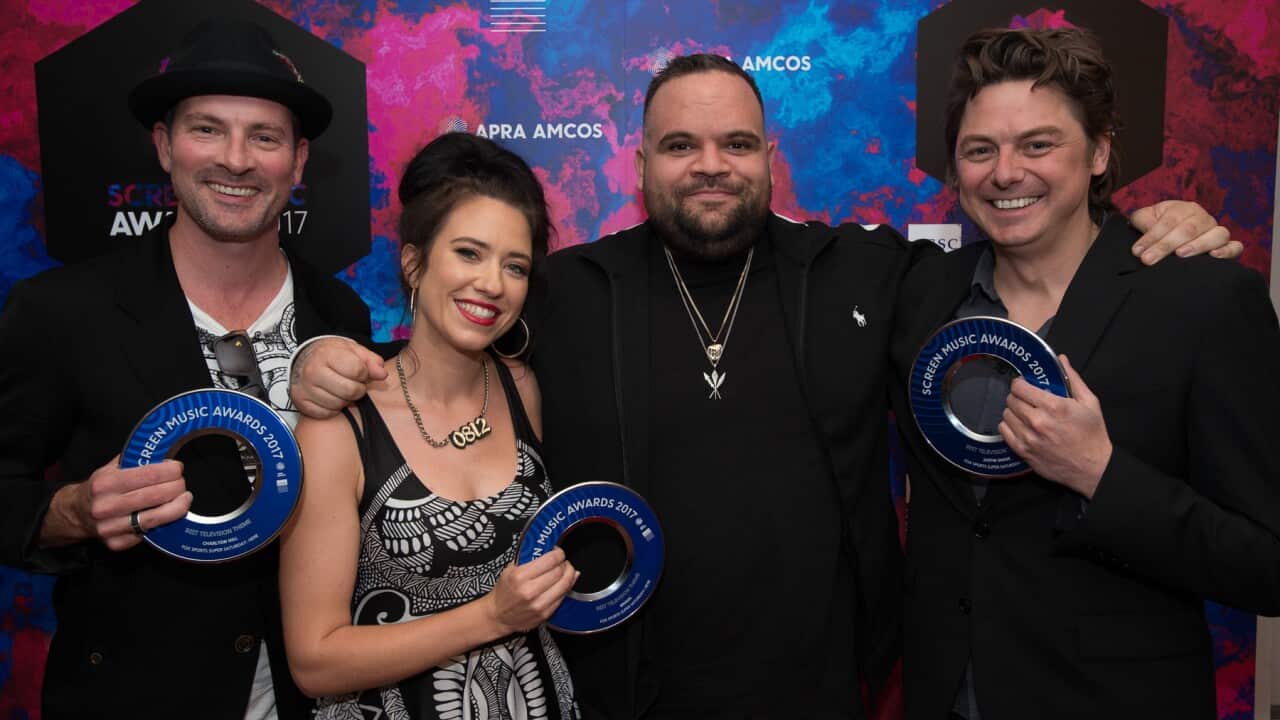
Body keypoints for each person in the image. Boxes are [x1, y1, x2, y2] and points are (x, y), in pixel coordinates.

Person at [289, 54, 1237, 719]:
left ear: (771, 159)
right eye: (680, 145)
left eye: (737, 143)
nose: (711, 166)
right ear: (640, 164)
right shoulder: (569, 289)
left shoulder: (870, 273)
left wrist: (1143, 227)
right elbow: (451, 335)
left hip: (821, 691)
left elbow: (1030, 257)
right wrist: (322, 357)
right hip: (623, 686)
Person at [887, 27, 1280, 720]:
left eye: (1038, 144)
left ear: (1099, 152)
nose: (1006, 172)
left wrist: (1100, 473)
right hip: (944, 695)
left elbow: (1267, 563)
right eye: (980, 150)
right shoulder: (921, 294)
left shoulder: (1204, 301)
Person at [0, 19, 370, 720]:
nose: (236, 159)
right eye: (207, 129)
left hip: (314, 698)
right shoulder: (62, 311)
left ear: (298, 161)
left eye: (265, 137)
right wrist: (72, 511)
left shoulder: (340, 312)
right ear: (165, 145)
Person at [278, 132, 580, 719]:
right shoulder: (341, 425)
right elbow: (314, 661)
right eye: (468, 253)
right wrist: (491, 616)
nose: (492, 283)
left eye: (514, 266)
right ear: (414, 263)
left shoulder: (522, 386)